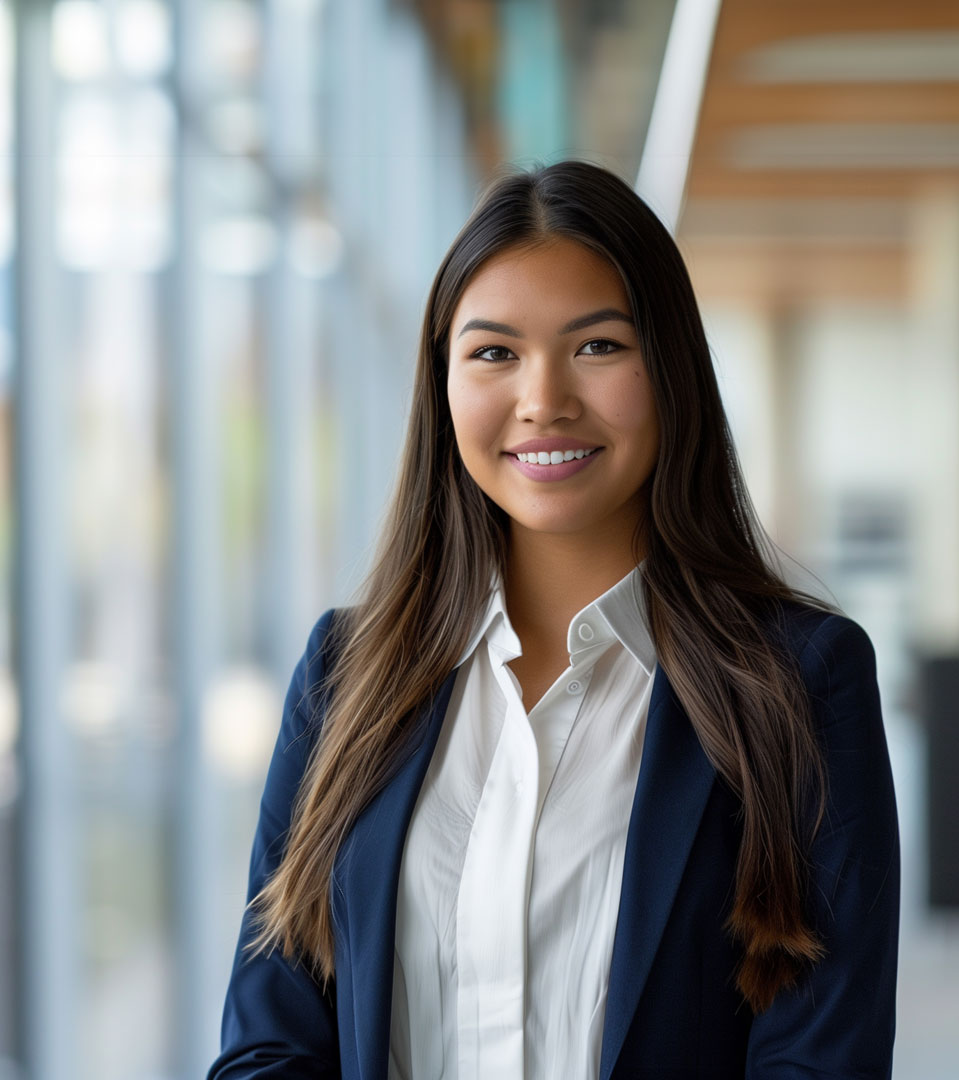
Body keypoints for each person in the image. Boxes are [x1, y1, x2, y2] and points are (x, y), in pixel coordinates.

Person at [208, 160, 900, 1079]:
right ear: (442, 385)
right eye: (494, 353)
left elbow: (822, 1061)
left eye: (598, 346)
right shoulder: (345, 675)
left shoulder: (798, 680)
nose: (544, 400)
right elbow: (268, 1043)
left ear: (671, 370)